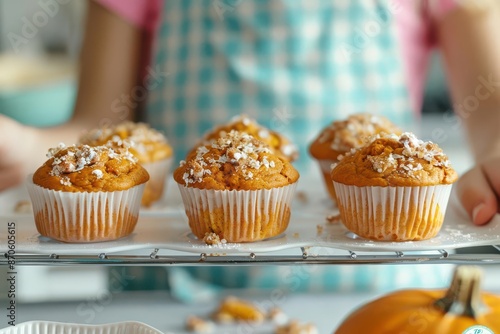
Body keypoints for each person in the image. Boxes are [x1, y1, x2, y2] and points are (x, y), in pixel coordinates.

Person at [1, 0, 499, 294]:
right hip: (160, 297)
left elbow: (491, 108)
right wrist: (25, 148)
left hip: (377, 298)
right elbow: (96, 126)